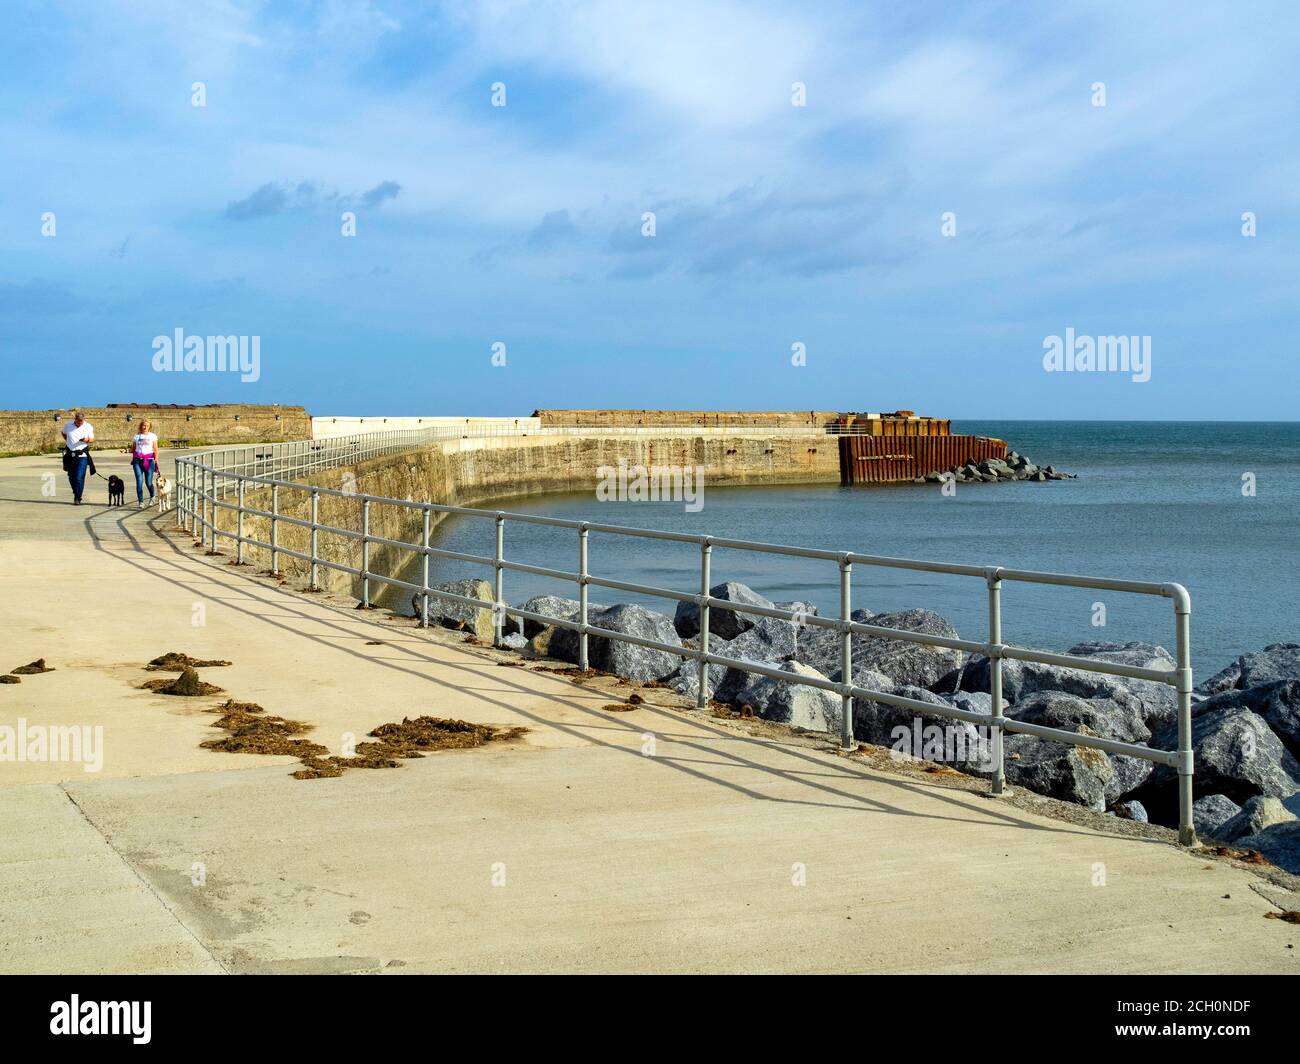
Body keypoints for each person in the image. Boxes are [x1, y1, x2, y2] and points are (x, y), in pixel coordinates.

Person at [60, 411, 95, 505]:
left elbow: (92, 439)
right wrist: (68, 441)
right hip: (70, 454)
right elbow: (63, 433)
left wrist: (86, 440)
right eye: (78, 421)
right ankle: (76, 491)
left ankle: (77, 497)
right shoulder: (68, 425)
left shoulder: (88, 426)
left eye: (82, 421)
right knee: (71, 476)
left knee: (79, 477)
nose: (80, 423)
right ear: (75, 419)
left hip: (82, 454)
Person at [128, 419, 161, 508]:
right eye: (144, 425)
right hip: (137, 461)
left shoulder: (153, 436)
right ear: (141, 426)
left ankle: (152, 496)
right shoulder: (136, 436)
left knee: (148, 482)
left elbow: (155, 449)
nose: (145, 427)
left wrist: (156, 459)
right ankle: (141, 501)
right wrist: (126, 450)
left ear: (149, 427)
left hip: (149, 460)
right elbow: (133, 449)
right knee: (139, 481)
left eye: (147, 425)